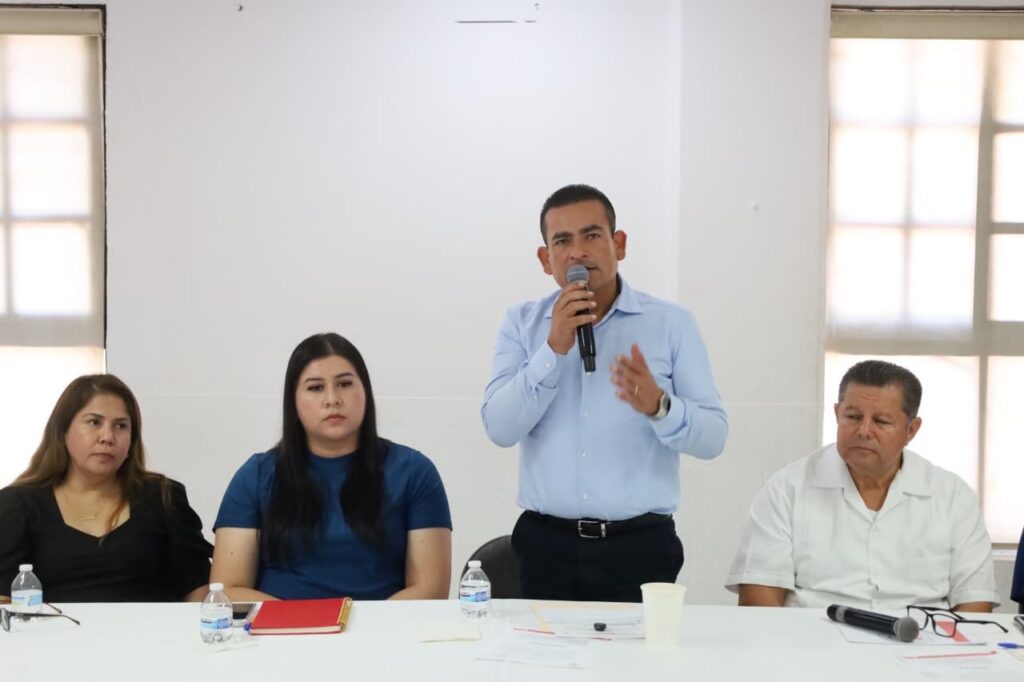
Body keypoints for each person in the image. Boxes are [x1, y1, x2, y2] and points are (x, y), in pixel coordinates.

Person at [481, 184, 728, 602]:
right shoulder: (522, 324)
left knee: (639, 650)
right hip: (544, 547)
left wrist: (660, 407)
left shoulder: (671, 324)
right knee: (542, 649)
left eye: (592, 235)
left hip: (640, 546)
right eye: (562, 241)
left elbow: (714, 438)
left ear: (620, 244)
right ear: (545, 259)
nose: (577, 253)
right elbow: (499, 428)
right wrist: (552, 349)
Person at [727, 360, 998, 612]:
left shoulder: (953, 497)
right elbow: (758, 598)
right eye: (853, 417)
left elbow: (975, 602)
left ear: (911, 430)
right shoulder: (787, 488)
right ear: (837, 414)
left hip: (922, 642)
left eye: (881, 421)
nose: (864, 431)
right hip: (812, 641)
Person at [211, 332, 452, 601]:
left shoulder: (414, 472)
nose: (332, 399)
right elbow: (228, 588)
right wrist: (305, 620)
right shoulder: (256, 475)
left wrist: (364, 626)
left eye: (345, 384)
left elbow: (430, 589)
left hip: (384, 625)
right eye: (315, 388)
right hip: (281, 625)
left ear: (365, 392)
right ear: (293, 401)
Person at [0, 374, 212, 602]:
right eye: (94, 422)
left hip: (151, 626)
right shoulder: (18, 504)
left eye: (121, 426)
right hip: (52, 626)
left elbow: (198, 591)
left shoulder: (164, 497)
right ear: (62, 432)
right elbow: (4, 600)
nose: (107, 437)